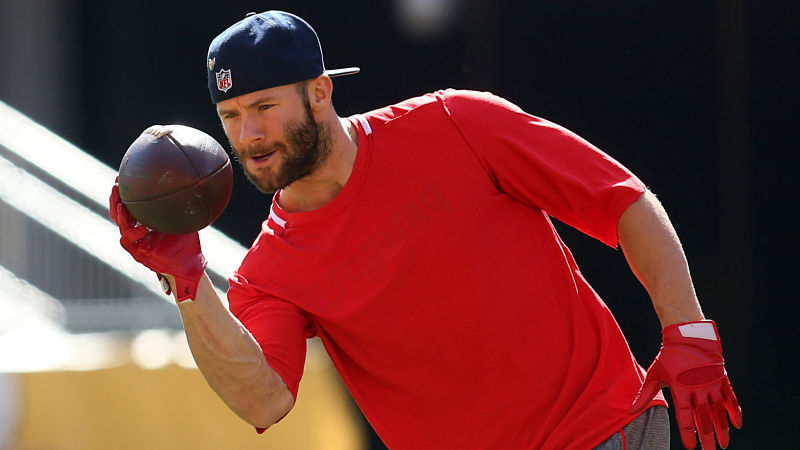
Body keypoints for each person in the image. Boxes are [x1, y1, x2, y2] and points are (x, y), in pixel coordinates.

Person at [108, 10, 742, 450]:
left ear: (321, 93)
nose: (249, 136)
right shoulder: (269, 274)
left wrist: (686, 327)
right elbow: (263, 401)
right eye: (232, 115)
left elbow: (622, 200)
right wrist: (185, 279)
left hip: (604, 430)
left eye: (265, 107)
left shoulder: (457, 123)